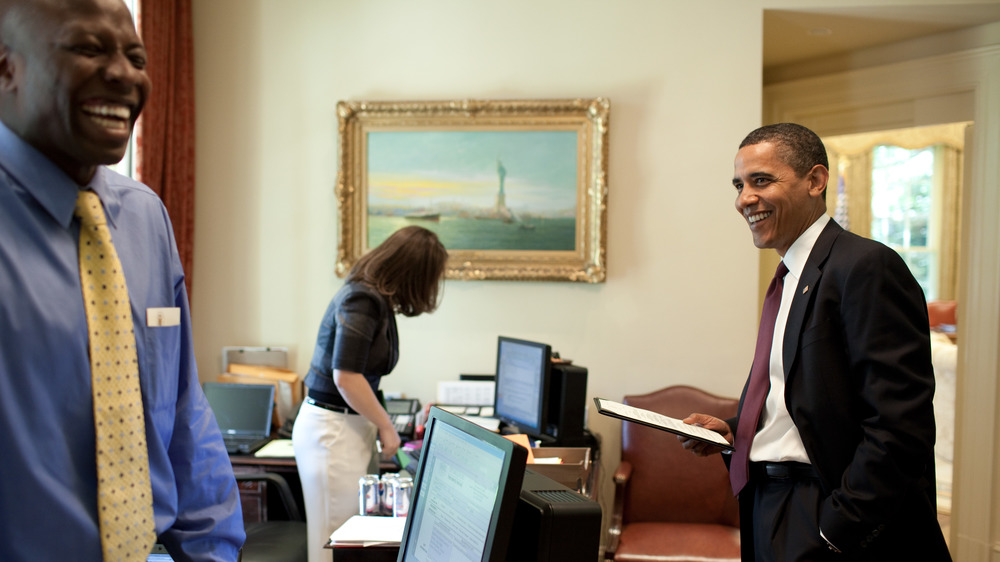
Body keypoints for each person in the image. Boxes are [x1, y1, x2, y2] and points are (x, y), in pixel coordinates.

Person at [0, 0, 244, 560]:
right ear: (6, 68)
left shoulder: (143, 217)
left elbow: (182, 411)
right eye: (89, 49)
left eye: (136, 56)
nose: (124, 74)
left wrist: (212, 553)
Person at [679, 123, 951, 561]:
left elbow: (900, 428)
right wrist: (735, 429)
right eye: (739, 185)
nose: (744, 198)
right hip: (767, 504)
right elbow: (804, 400)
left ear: (816, 180)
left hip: (823, 512)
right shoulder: (790, 278)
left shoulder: (865, 266)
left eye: (761, 180)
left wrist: (836, 531)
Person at [292, 225, 448, 562]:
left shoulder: (376, 300)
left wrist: (382, 421)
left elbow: (362, 377)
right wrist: (386, 425)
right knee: (334, 546)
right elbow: (347, 377)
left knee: (351, 540)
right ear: (412, 273)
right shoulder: (362, 299)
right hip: (332, 431)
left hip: (348, 425)